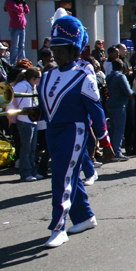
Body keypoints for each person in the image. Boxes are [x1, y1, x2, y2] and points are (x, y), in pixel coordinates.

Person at [38, 15, 114, 248]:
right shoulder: (47, 76)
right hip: (53, 131)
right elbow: (47, 105)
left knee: (61, 177)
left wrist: (105, 141)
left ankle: (58, 227)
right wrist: (37, 113)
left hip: (75, 131)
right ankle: (84, 217)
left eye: (62, 51)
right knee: (70, 175)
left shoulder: (84, 76)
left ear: (74, 51)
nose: (56, 55)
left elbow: (96, 110)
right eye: (55, 50)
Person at [11, 67, 43, 181]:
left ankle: (33, 170)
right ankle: (25, 172)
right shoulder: (23, 85)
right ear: (33, 78)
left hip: (32, 119)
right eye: (39, 77)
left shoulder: (32, 86)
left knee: (33, 148)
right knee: (26, 148)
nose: (40, 79)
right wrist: (11, 112)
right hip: (24, 120)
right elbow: (11, 95)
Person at [103, 58, 133, 160]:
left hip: (110, 104)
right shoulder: (121, 77)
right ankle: (117, 152)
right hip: (120, 104)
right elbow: (127, 91)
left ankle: (111, 151)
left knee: (112, 129)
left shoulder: (109, 77)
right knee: (119, 129)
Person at [4, 0, 29, 64]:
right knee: (15, 46)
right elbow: (19, 10)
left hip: (22, 26)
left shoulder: (18, 3)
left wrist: (24, 3)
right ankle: (13, 62)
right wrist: (21, 4)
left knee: (22, 45)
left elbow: (27, 11)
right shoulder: (9, 3)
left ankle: (22, 60)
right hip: (14, 27)